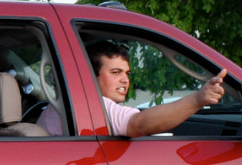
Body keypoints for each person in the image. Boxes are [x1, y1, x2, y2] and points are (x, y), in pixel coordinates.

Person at [88, 40, 226, 137]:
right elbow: (139, 124)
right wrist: (198, 99)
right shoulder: (98, 107)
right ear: (91, 76)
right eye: (116, 72)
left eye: (127, 73)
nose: (125, 80)